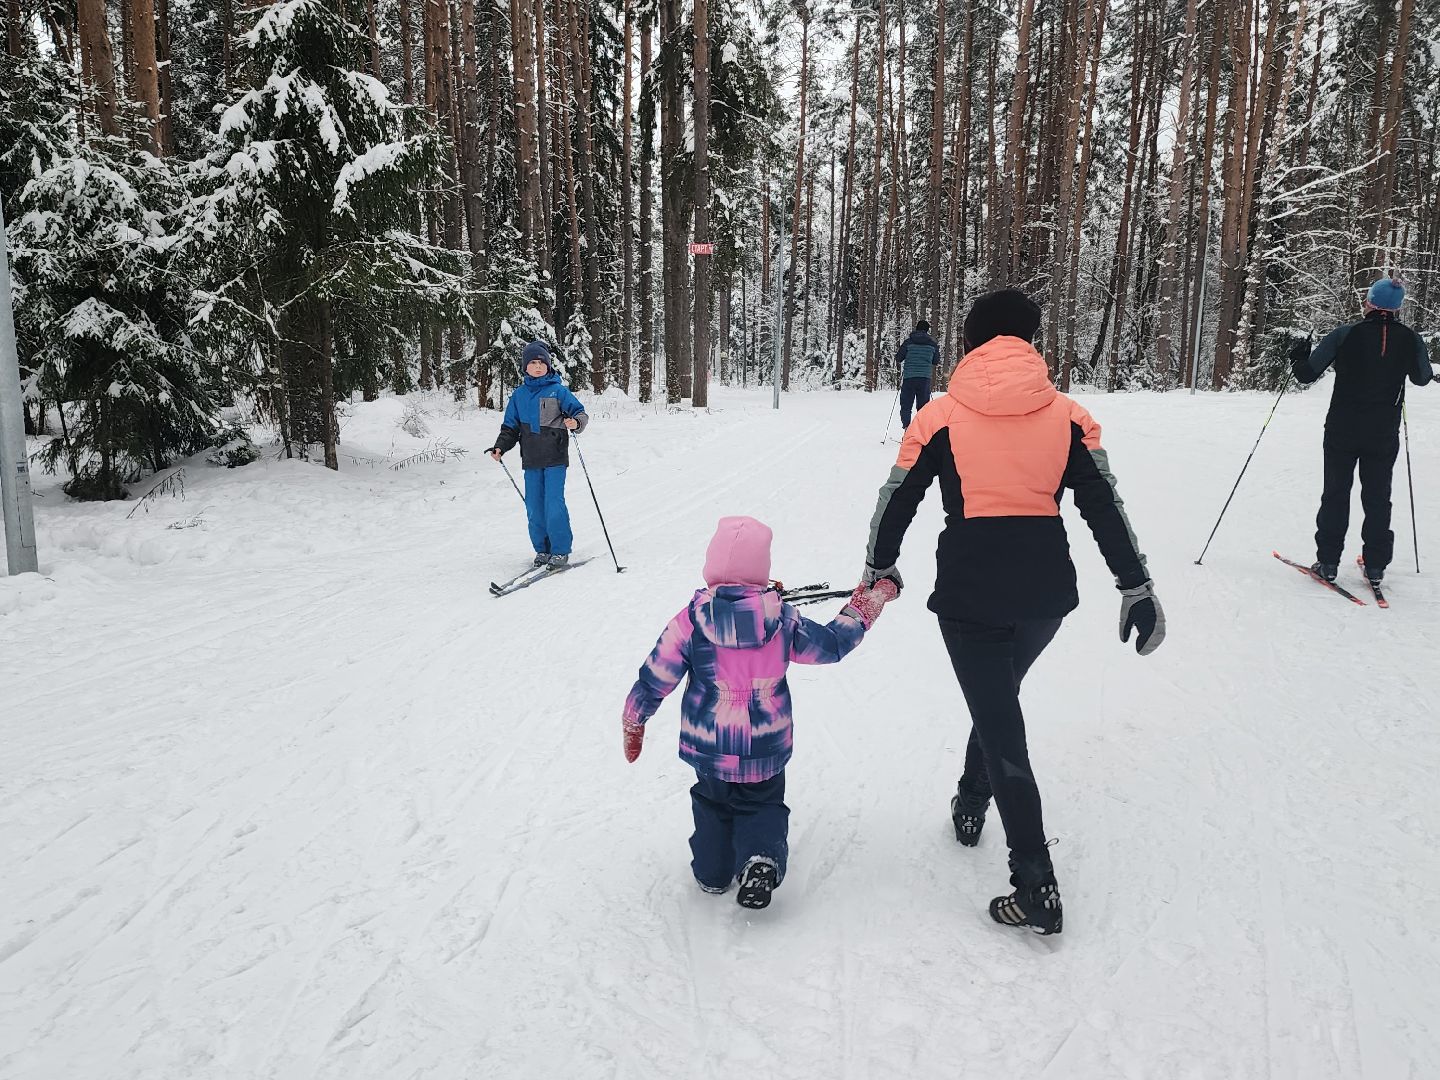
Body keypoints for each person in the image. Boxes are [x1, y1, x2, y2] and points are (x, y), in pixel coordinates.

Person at [859, 287, 1166, 936]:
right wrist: (1134, 584)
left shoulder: (938, 418)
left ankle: (1035, 880)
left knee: (1000, 721)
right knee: (998, 699)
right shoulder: (1067, 415)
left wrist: (878, 567)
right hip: (1044, 598)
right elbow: (1102, 503)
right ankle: (972, 798)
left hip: (969, 596)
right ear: (1031, 342)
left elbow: (898, 499)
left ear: (969, 343)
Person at [620, 516, 897, 910]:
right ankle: (760, 859)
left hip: (708, 747)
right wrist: (864, 606)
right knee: (762, 803)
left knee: (712, 804)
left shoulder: (690, 622)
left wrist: (635, 718)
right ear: (761, 573)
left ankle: (712, 873)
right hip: (765, 745)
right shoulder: (783, 620)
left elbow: (655, 677)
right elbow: (832, 645)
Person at [1290, 277, 1434, 584]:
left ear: (1369, 302)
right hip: (1382, 432)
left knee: (1336, 494)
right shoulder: (1410, 338)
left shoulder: (1345, 334)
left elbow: (1306, 374)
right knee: (1378, 496)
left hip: (1342, 428)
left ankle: (1328, 562)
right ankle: (1376, 565)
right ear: (1397, 309)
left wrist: (1298, 355)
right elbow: (1422, 378)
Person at [486, 341, 589, 567]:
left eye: (542, 362)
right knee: (533, 506)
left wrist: (575, 422)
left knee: (553, 503)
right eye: (533, 362)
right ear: (525, 367)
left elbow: (580, 413)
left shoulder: (558, 391)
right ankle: (542, 549)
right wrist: (500, 447)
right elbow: (510, 428)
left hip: (555, 458)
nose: (538, 366)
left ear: (548, 366)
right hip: (531, 459)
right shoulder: (519, 396)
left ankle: (560, 550)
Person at [895, 319, 940, 429]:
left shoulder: (908, 342)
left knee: (906, 405)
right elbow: (936, 361)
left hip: (909, 377)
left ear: (917, 329)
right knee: (923, 407)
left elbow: (899, 358)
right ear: (927, 330)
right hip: (924, 378)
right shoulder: (932, 344)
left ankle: (907, 428)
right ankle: (921, 431)